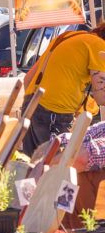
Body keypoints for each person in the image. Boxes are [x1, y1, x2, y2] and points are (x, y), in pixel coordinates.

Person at [21, 24, 105, 154]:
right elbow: (102, 97)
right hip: (54, 114)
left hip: (30, 106)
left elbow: (28, 79)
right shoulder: (100, 47)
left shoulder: (67, 36)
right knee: (57, 168)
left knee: (31, 168)